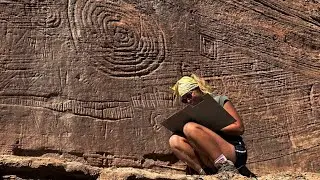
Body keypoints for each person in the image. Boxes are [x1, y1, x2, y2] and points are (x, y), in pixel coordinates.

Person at [169, 74, 255, 177]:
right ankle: (205, 173)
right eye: (184, 100)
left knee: (190, 127)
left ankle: (225, 166)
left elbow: (239, 128)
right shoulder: (191, 112)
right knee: (174, 140)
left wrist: (211, 126)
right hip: (208, 158)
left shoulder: (219, 100)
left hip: (233, 151)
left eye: (189, 95)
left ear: (198, 89)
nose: (188, 101)